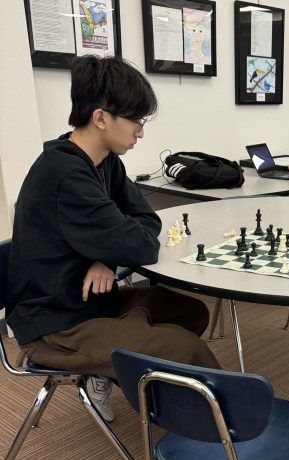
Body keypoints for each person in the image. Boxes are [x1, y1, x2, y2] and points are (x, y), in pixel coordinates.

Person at [6, 55, 220, 422]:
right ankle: (221, 438)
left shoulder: (104, 161)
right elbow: (142, 245)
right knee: (184, 349)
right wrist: (113, 246)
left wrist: (103, 257)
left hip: (89, 299)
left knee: (189, 311)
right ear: (101, 117)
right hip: (55, 321)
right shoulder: (64, 175)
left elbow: (146, 220)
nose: (140, 132)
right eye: (135, 120)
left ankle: (127, 383)